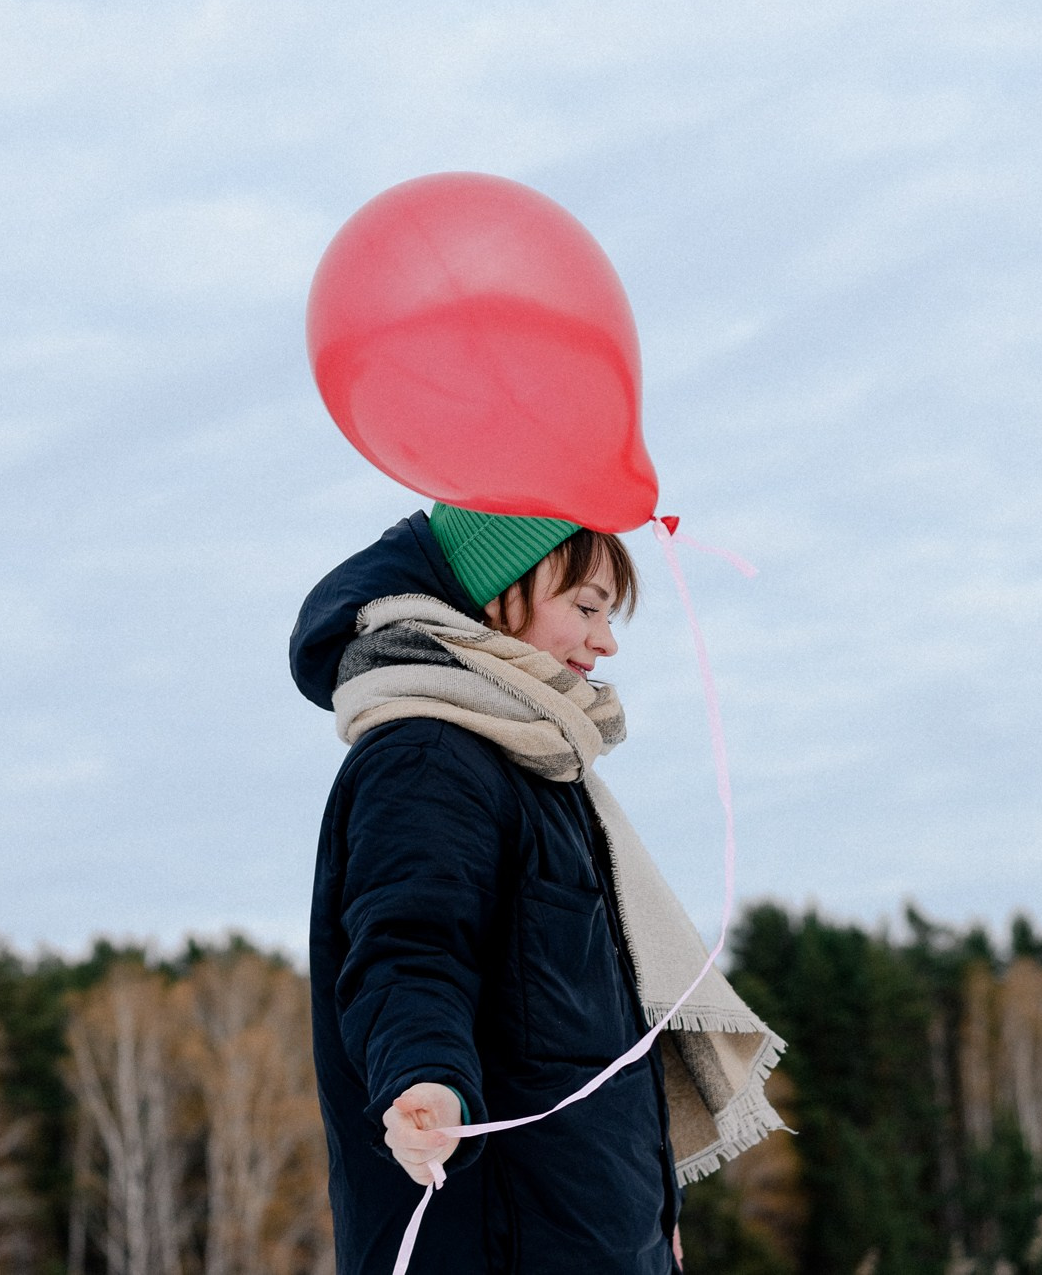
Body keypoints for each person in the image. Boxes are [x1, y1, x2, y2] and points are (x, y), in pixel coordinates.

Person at [289, 505, 783, 1275]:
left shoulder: (542, 769)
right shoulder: (426, 756)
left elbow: (592, 1035)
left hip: (594, 1235)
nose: (606, 640)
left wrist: (656, 1216)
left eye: (609, 614)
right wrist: (426, 1079)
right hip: (498, 1239)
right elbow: (410, 950)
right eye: (585, 606)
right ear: (494, 593)